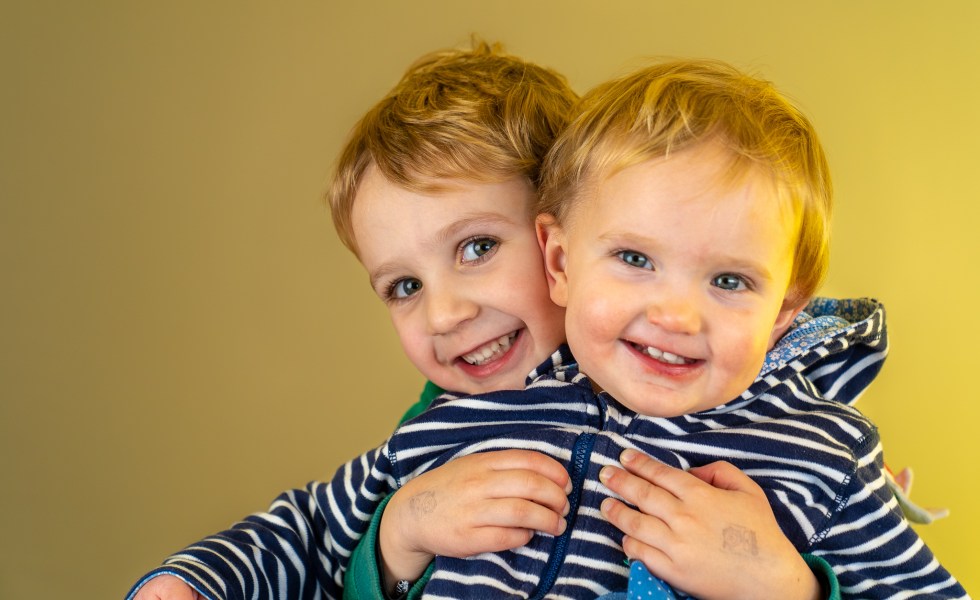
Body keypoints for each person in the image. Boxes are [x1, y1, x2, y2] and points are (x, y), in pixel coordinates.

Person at [126, 46, 835, 600]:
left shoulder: (773, 428)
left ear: (566, 247)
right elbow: (307, 534)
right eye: (404, 286)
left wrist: (787, 587)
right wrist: (398, 535)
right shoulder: (436, 434)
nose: (445, 313)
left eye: (477, 247)